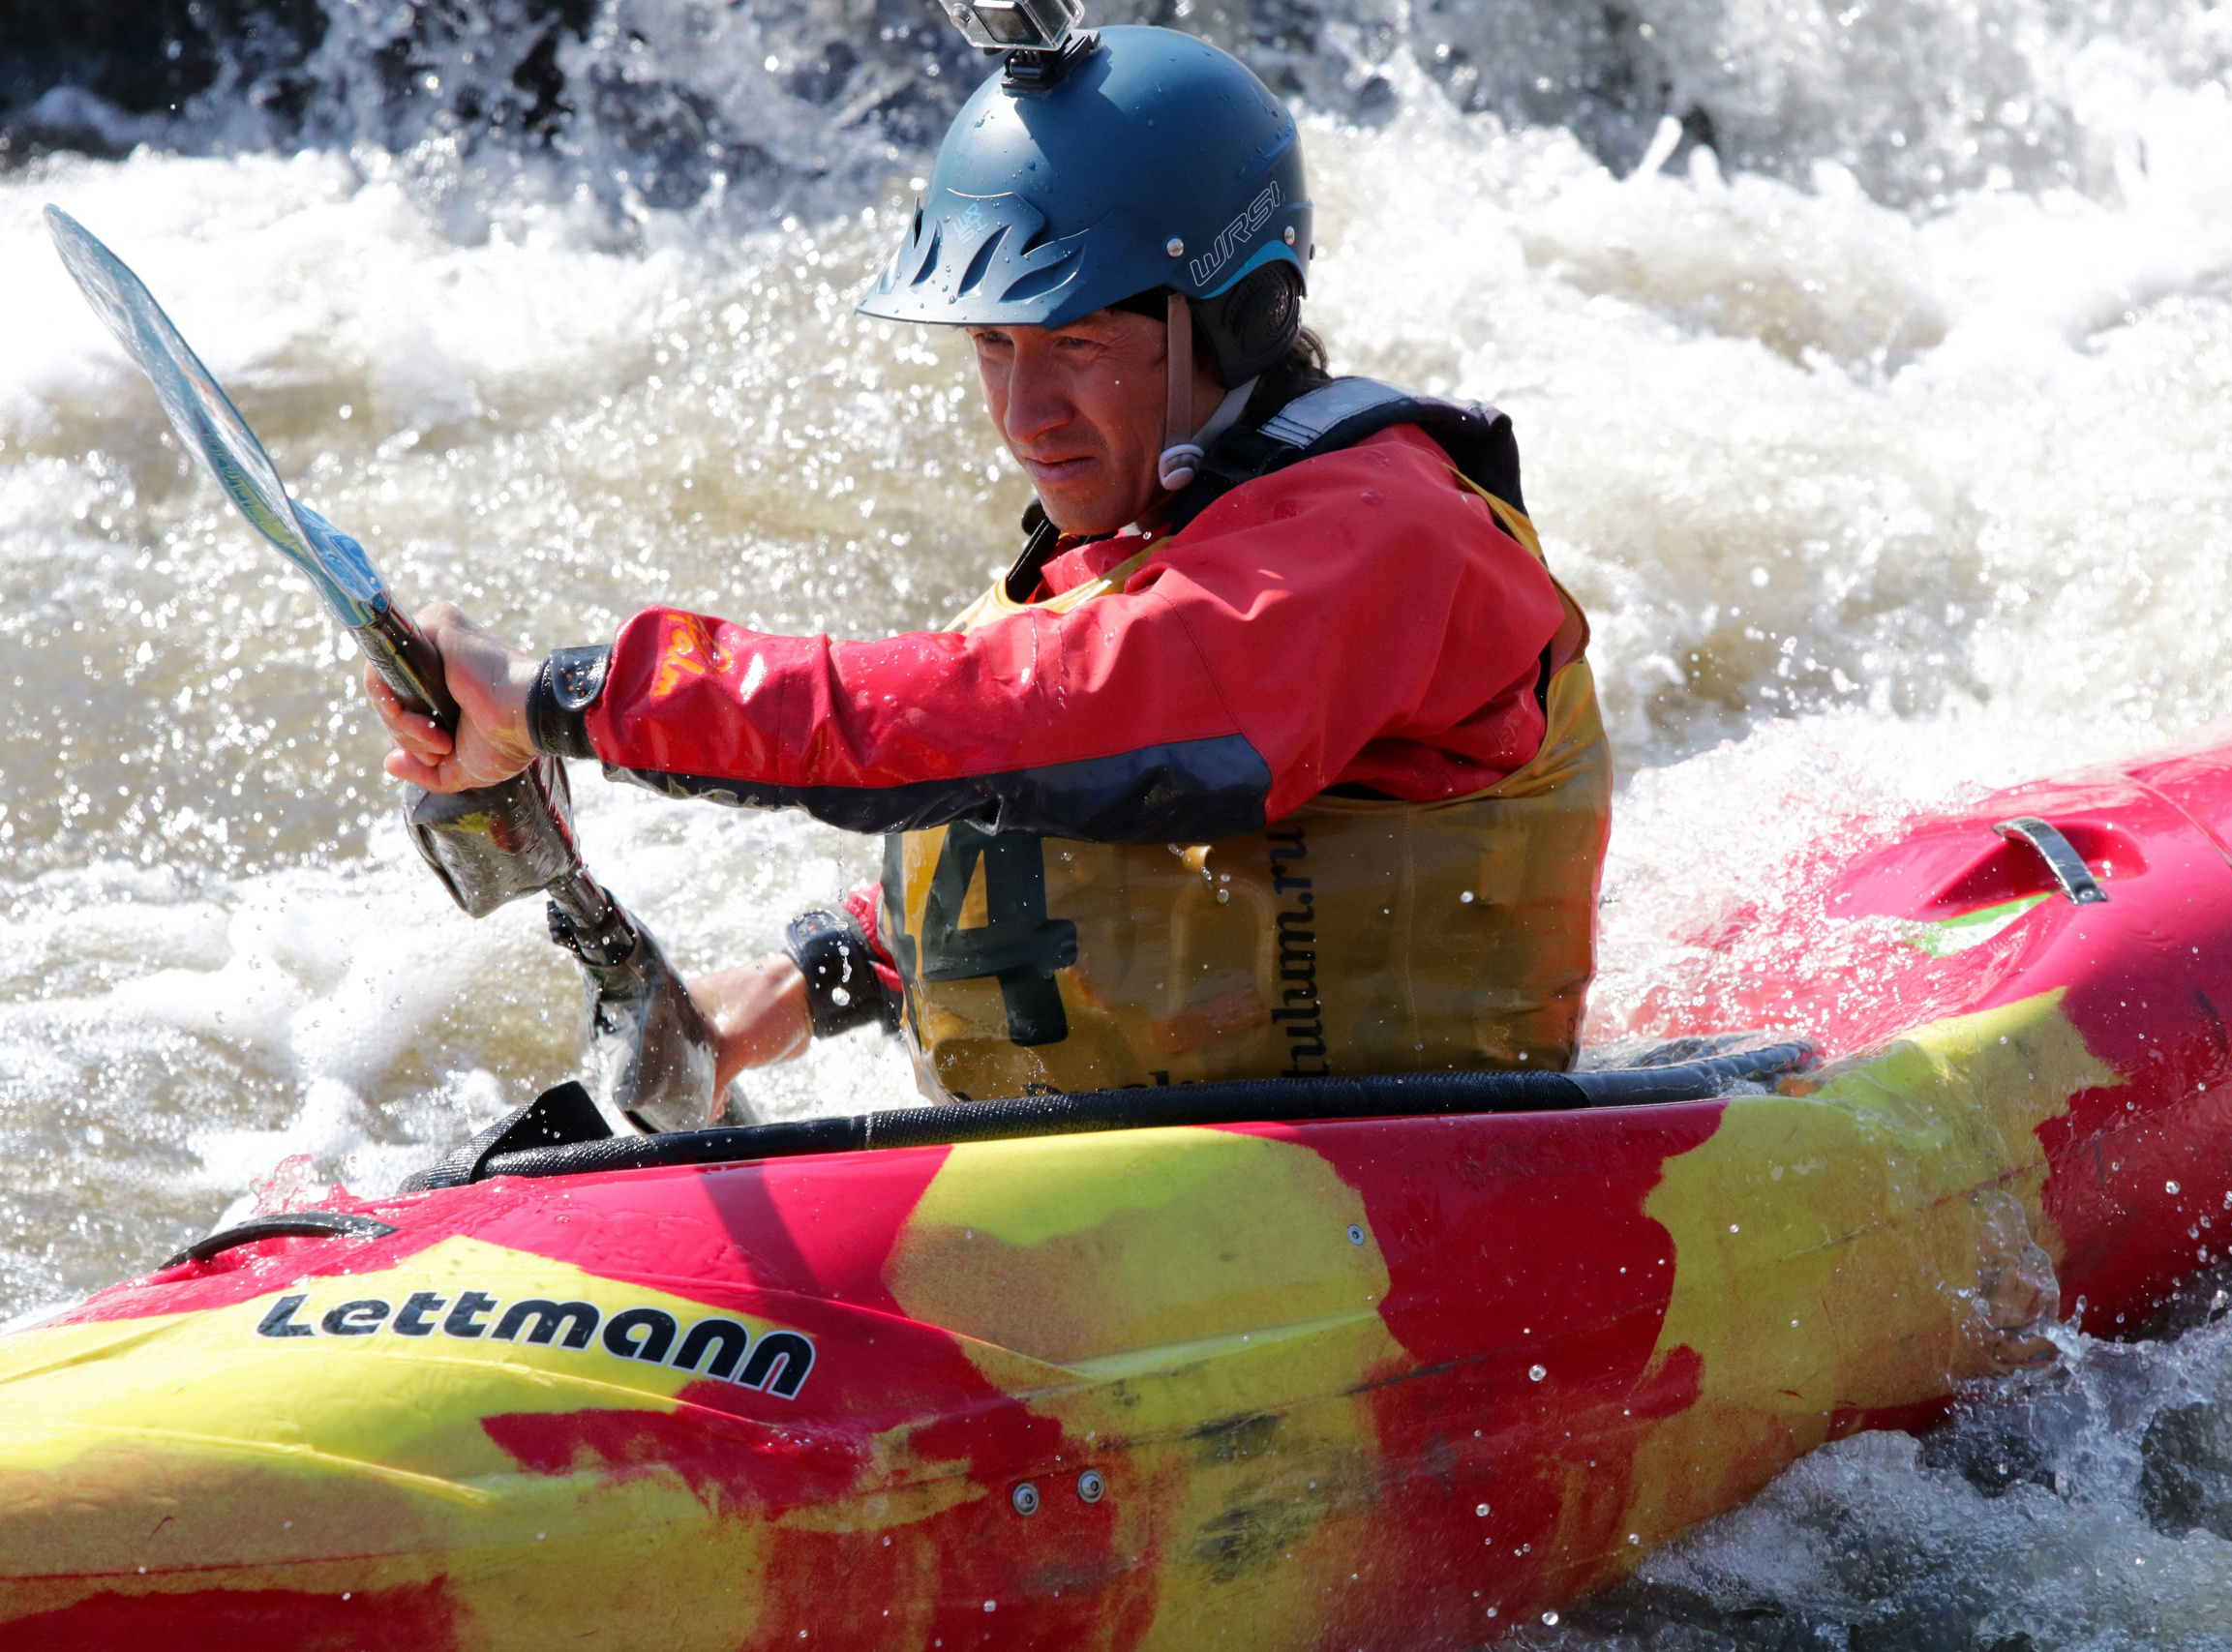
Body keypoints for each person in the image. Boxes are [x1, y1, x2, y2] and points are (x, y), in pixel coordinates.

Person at [367, 24, 1614, 1112]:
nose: (1027, 415)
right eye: (993, 348)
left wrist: (566, 698)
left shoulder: (1384, 541)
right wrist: (813, 982)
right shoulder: (1142, 546)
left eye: (1074, 341)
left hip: (1414, 1187)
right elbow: (1076, 845)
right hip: (1180, 1211)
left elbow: (1034, 721)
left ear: (1244, 318)